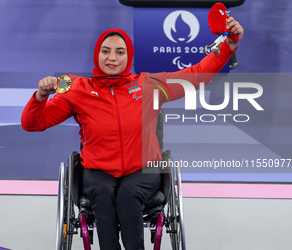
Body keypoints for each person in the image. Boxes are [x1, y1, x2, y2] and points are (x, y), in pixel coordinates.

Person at [21, 17, 244, 250]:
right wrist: (40, 96)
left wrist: (230, 42)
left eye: (120, 52)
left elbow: (198, 75)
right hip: (98, 171)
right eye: (106, 51)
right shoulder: (77, 89)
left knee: (128, 196)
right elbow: (33, 123)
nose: (112, 58)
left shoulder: (150, 85)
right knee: (104, 198)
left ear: (129, 57)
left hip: (142, 170)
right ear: (97, 54)